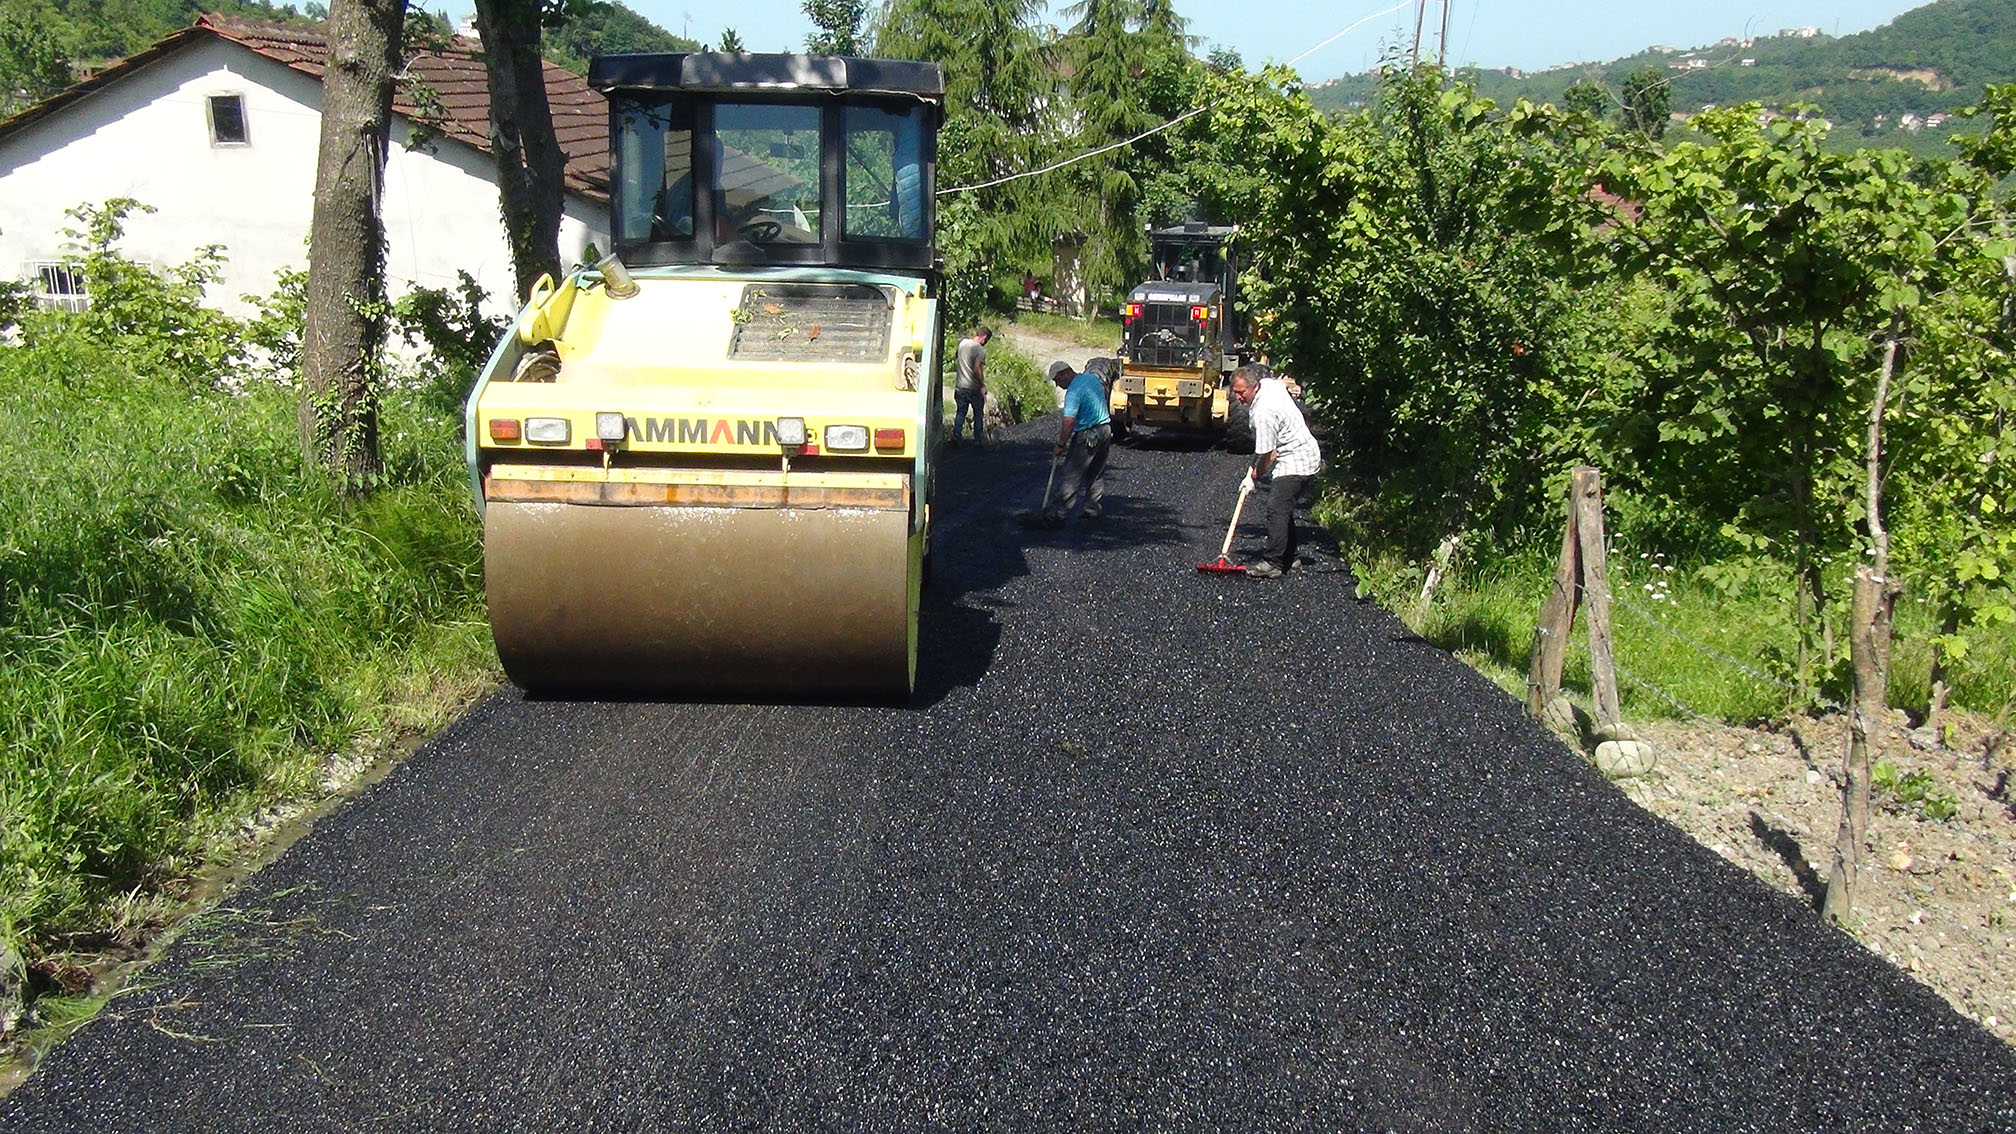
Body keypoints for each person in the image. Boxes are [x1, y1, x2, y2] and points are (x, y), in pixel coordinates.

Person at [1229, 364, 1321, 578]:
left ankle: (1273, 562)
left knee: (1276, 508)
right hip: (1296, 451)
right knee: (1283, 506)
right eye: (1235, 392)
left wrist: (1253, 476)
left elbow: (1268, 455)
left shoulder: (1264, 412)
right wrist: (1251, 470)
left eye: (1242, 393)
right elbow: (1263, 453)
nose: (1238, 397)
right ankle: (1290, 556)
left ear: (1254, 387)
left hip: (1298, 458)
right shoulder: (1269, 385)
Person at [1042, 359, 1113, 526]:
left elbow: (1068, 421)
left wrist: (1061, 445)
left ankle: (1060, 513)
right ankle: (1092, 508)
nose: (1058, 385)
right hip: (1105, 430)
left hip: (1089, 435)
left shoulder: (1074, 390)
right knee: (1096, 471)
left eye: (1058, 380)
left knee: (1072, 473)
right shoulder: (1091, 379)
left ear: (1066, 373)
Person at [950, 325, 991, 447]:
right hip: (973, 387)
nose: (985, 343)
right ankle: (978, 439)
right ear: (983, 337)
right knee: (978, 413)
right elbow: (977, 367)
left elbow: (957, 355)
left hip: (960, 386)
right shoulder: (980, 351)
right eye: (986, 340)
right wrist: (982, 385)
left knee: (961, 412)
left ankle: (956, 435)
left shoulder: (963, 343)